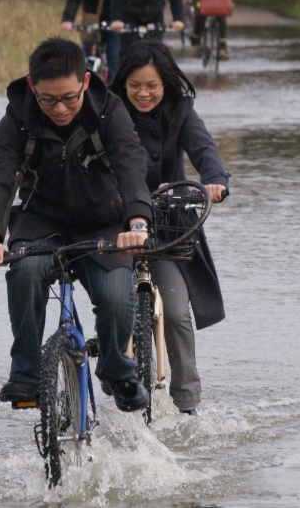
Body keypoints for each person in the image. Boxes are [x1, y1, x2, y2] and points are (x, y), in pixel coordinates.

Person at [0, 37, 154, 412]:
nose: (60, 108)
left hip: (104, 224)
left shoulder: (109, 110)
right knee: (24, 273)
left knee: (118, 296)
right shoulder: (19, 115)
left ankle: (117, 370)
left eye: (70, 98)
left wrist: (137, 220)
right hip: (40, 222)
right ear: (32, 87)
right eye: (48, 99)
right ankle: (25, 373)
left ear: (85, 82)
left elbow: (130, 163)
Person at [109, 40, 230, 416]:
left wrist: (214, 179)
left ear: (166, 84)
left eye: (152, 86)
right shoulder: (107, 112)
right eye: (135, 86)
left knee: (177, 313)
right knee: (111, 302)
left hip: (166, 222)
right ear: (122, 85)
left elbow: (204, 148)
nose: (143, 94)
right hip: (116, 223)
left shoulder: (181, 111)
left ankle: (187, 404)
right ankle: (110, 365)